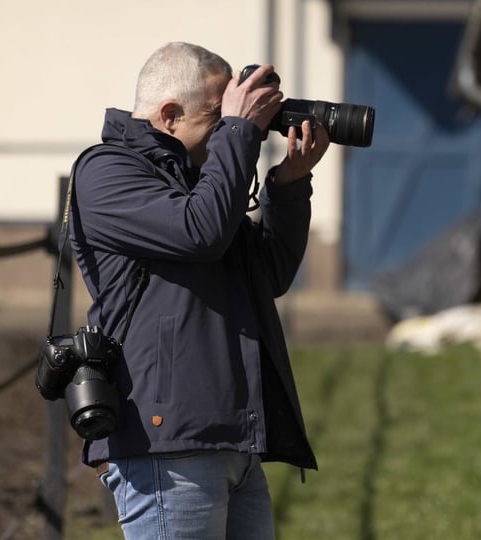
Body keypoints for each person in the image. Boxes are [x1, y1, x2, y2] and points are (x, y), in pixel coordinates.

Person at [69, 42, 330, 539]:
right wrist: (239, 132)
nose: (236, 124)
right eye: (220, 114)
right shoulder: (107, 171)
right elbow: (199, 232)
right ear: (170, 115)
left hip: (234, 438)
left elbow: (270, 273)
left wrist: (289, 185)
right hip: (167, 447)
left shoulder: (203, 180)